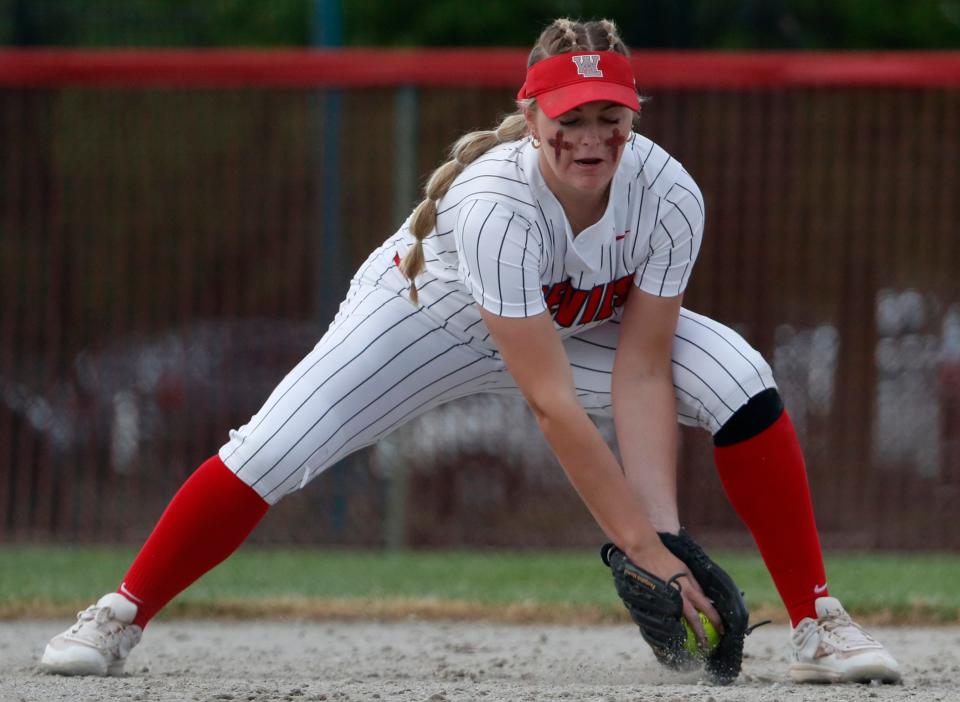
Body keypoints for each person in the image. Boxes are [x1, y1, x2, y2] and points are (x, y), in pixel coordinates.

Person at [40, 17, 900, 685]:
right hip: (425, 318)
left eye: (611, 116)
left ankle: (817, 621)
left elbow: (641, 368)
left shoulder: (668, 193)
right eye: (570, 117)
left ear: (634, 117)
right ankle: (119, 614)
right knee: (273, 448)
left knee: (738, 373)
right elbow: (552, 407)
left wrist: (667, 533)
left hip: (560, 335)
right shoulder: (495, 203)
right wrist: (640, 552)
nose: (591, 136)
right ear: (531, 116)